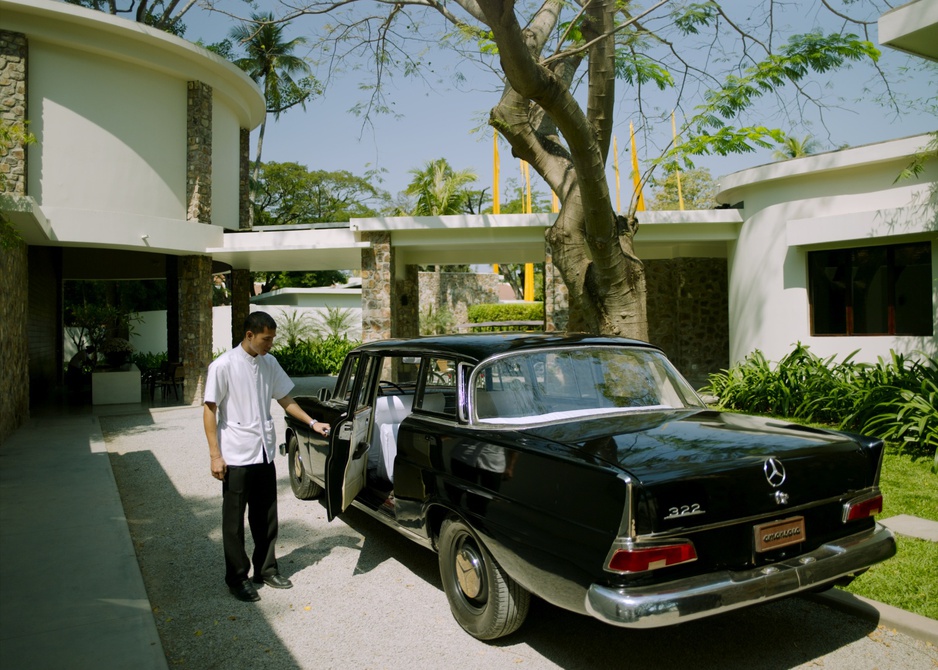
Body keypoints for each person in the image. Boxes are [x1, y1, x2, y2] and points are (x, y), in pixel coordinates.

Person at [203, 311, 330, 602]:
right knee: (234, 522)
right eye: (266, 339)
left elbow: (285, 398)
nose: (270, 344)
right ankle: (237, 577)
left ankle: (266, 569)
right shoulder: (222, 366)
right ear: (249, 335)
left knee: (266, 517)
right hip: (235, 454)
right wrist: (215, 455)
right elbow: (209, 411)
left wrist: (312, 422)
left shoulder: (269, 362)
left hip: (263, 453)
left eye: (272, 338)